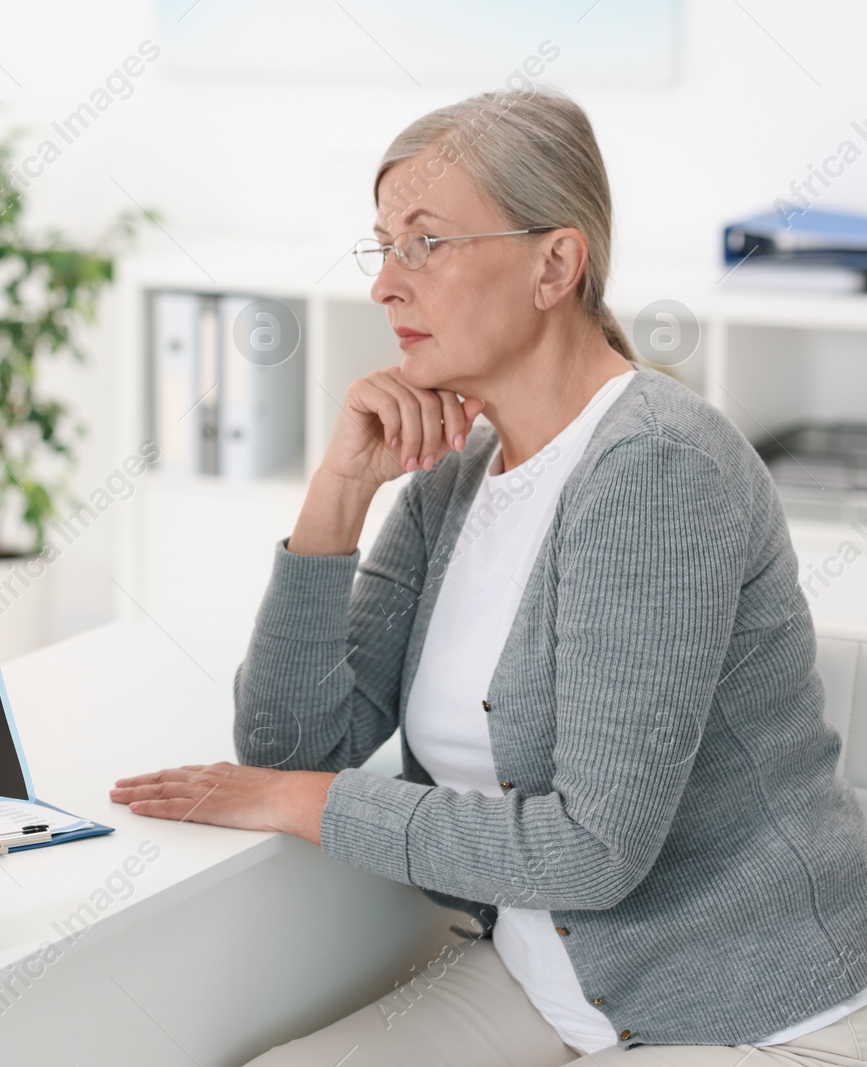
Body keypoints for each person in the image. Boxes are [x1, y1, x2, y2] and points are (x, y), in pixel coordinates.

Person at [110, 87, 867, 1064]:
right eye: (381, 244)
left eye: (425, 242)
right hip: (546, 979)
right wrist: (339, 491)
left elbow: (589, 849)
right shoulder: (460, 475)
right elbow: (290, 740)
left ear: (554, 262)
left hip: (739, 1007)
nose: (386, 284)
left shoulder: (655, 466)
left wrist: (299, 804)